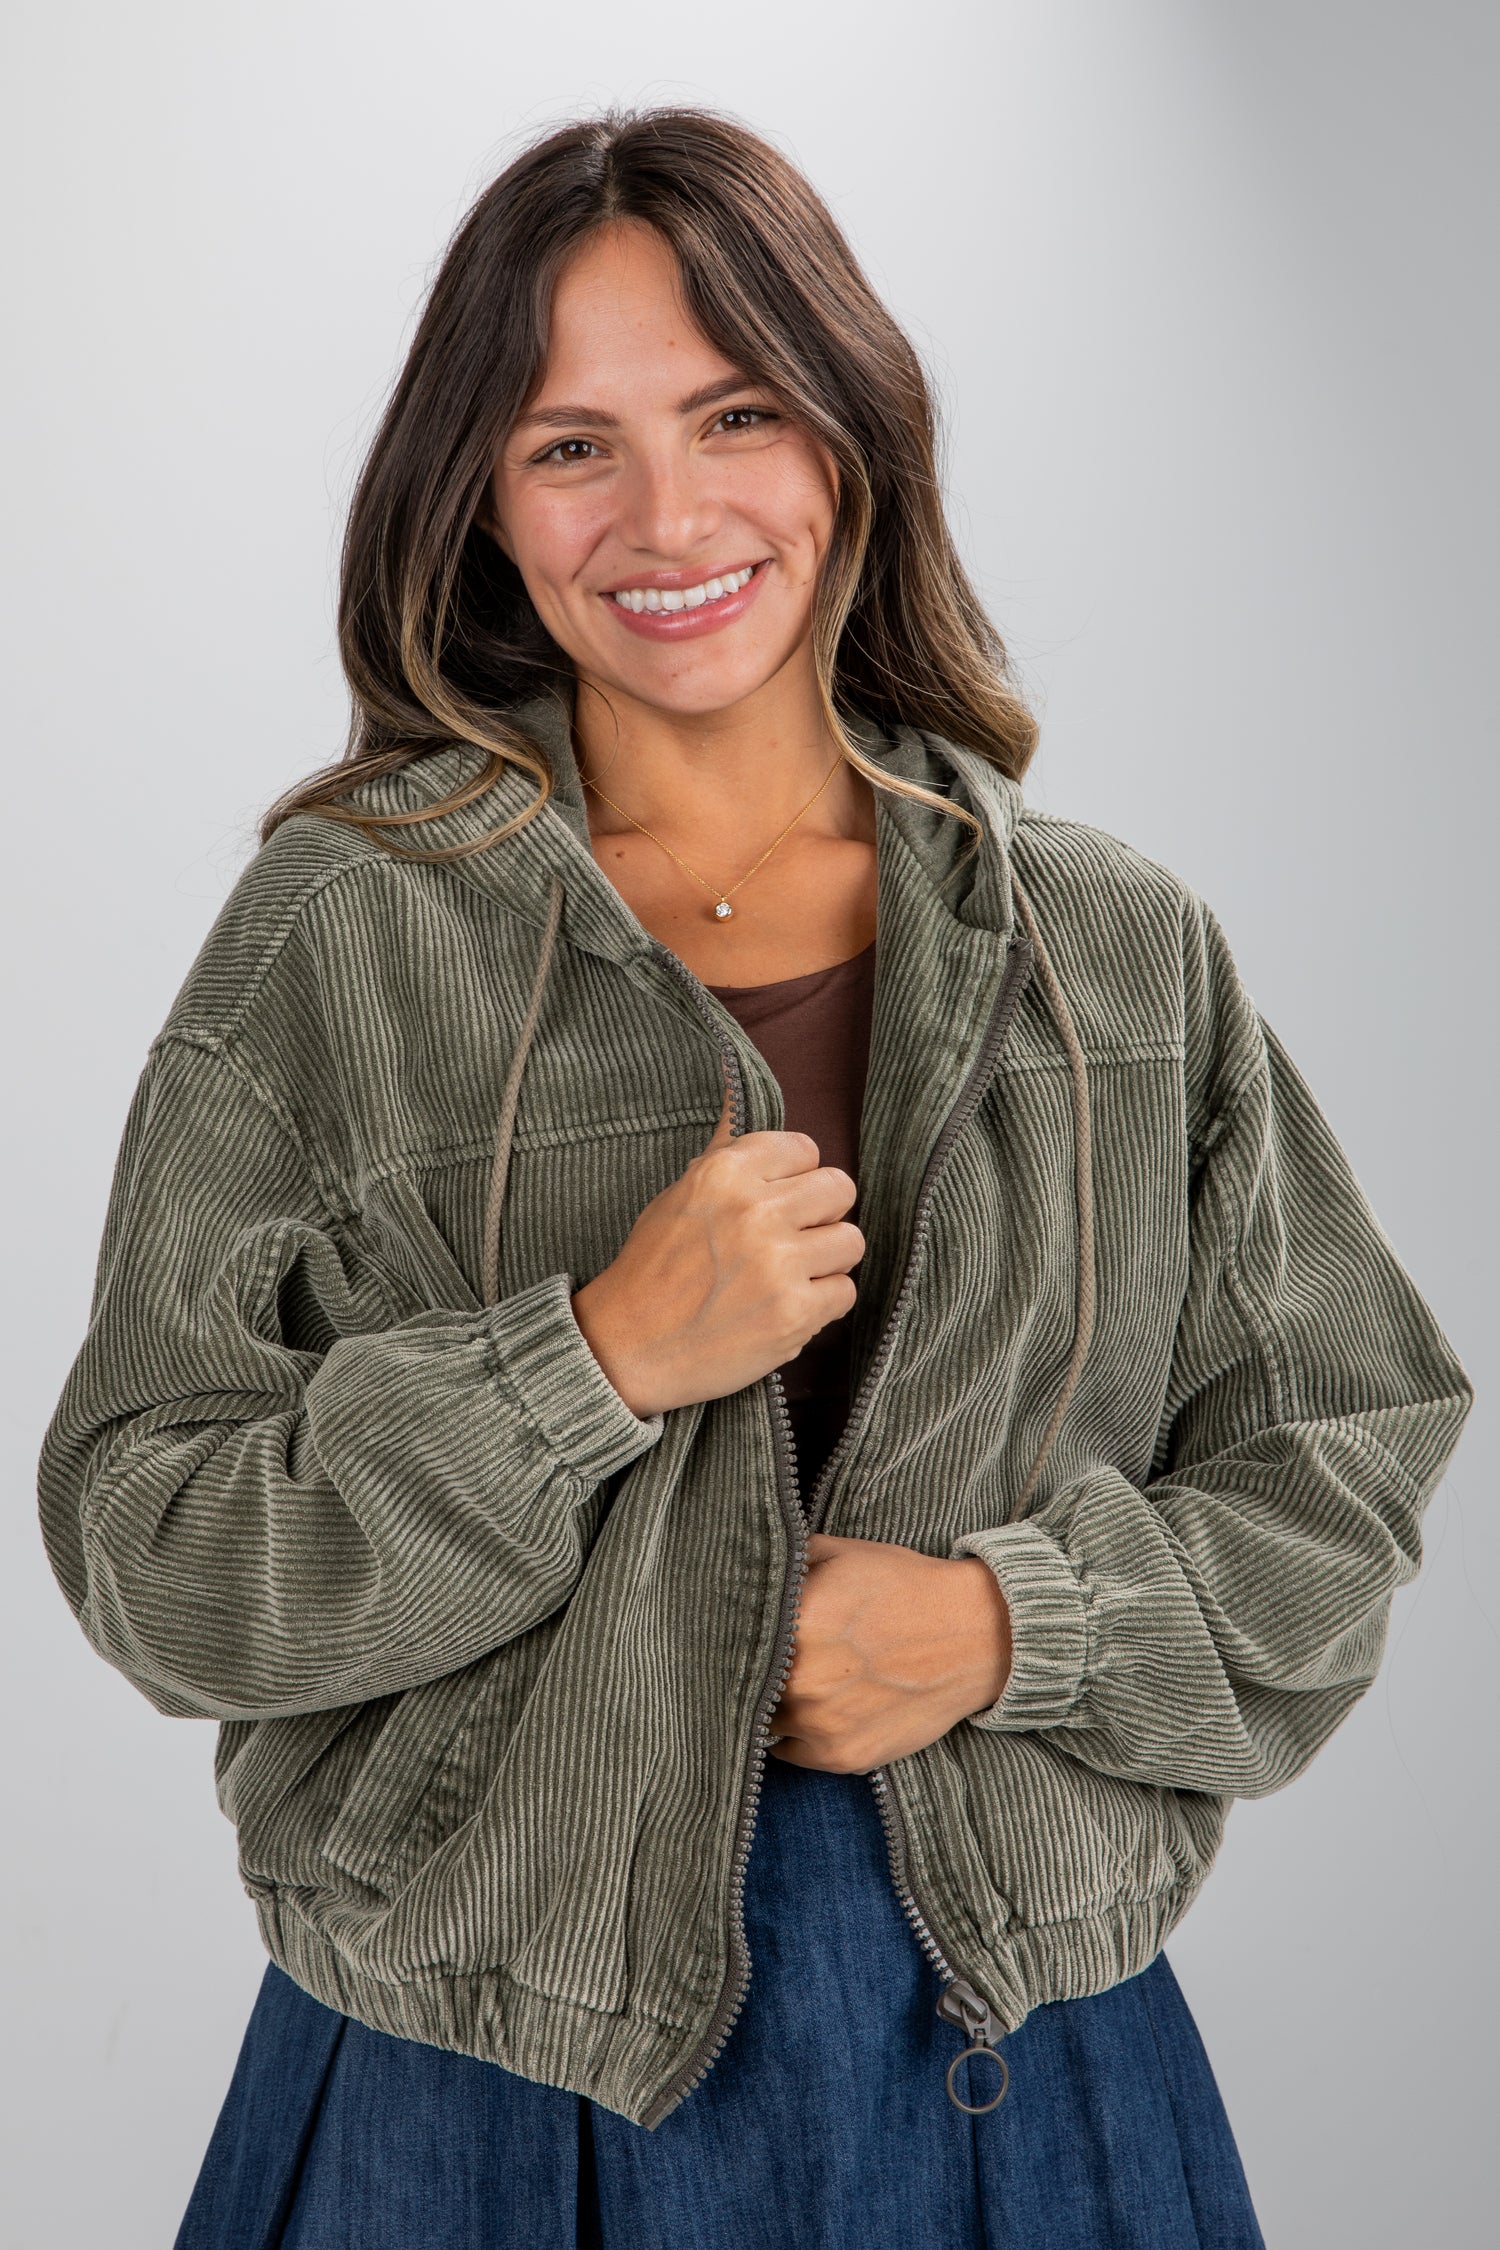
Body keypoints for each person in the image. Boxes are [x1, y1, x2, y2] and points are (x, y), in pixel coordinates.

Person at [39, 106, 1472, 2250]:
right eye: (569, 444)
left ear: (851, 447)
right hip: (467, 2089)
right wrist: (589, 1364)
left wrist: (1007, 1626)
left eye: (735, 413)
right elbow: (151, 1550)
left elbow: (1341, 1473)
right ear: (481, 507)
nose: (669, 510)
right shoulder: (345, 933)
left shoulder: (1110, 950)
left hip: (1010, 2071)